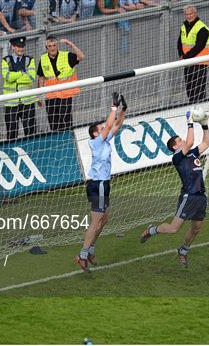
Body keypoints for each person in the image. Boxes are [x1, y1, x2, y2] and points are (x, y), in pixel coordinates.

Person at [140, 109, 209, 268]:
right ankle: (152, 230)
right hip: (188, 196)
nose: (184, 141)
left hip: (201, 197)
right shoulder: (177, 157)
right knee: (173, 229)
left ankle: (183, 250)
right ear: (175, 146)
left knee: (197, 228)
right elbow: (191, 142)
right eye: (180, 140)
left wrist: (205, 125)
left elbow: (207, 143)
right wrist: (190, 122)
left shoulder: (192, 154)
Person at [75, 92, 127, 272]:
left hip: (102, 185)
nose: (105, 127)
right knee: (96, 222)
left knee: (104, 220)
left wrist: (123, 110)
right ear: (95, 133)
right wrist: (113, 107)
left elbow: (117, 124)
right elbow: (110, 125)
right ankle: (82, 255)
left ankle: (90, 249)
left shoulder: (105, 139)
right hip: (98, 185)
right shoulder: (96, 142)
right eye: (101, 127)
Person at [37, 36, 84, 132]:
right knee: (53, 124)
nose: (52, 48)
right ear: (46, 47)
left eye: (54, 45)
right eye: (49, 46)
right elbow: (41, 78)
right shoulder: (43, 59)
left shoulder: (66, 56)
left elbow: (81, 56)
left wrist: (70, 44)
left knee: (66, 122)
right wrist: (39, 96)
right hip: (51, 97)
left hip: (65, 95)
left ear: (57, 46)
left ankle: (69, 141)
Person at [2, 36, 38, 139]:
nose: (21, 49)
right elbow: (7, 77)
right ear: (13, 47)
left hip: (28, 102)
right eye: (18, 46)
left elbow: (31, 77)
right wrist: (21, 73)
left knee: (31, 132)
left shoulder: (29, 59)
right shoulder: (6, 60)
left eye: (22, 46)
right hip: (11, 103)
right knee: (12, 133)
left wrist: (15, 76)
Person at [178, 5, 209, 104]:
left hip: (200, 63)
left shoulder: (202, 28)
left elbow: (199, 46)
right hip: (188, 63)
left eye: (191, 14)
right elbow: (179, 42)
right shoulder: (184, 26)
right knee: (190, 90)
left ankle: (201, 109)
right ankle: (192, 108)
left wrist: (186, 57)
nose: (189, 16)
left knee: (199, 90)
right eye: (186, 14)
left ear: (195, 13)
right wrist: (181, 54)